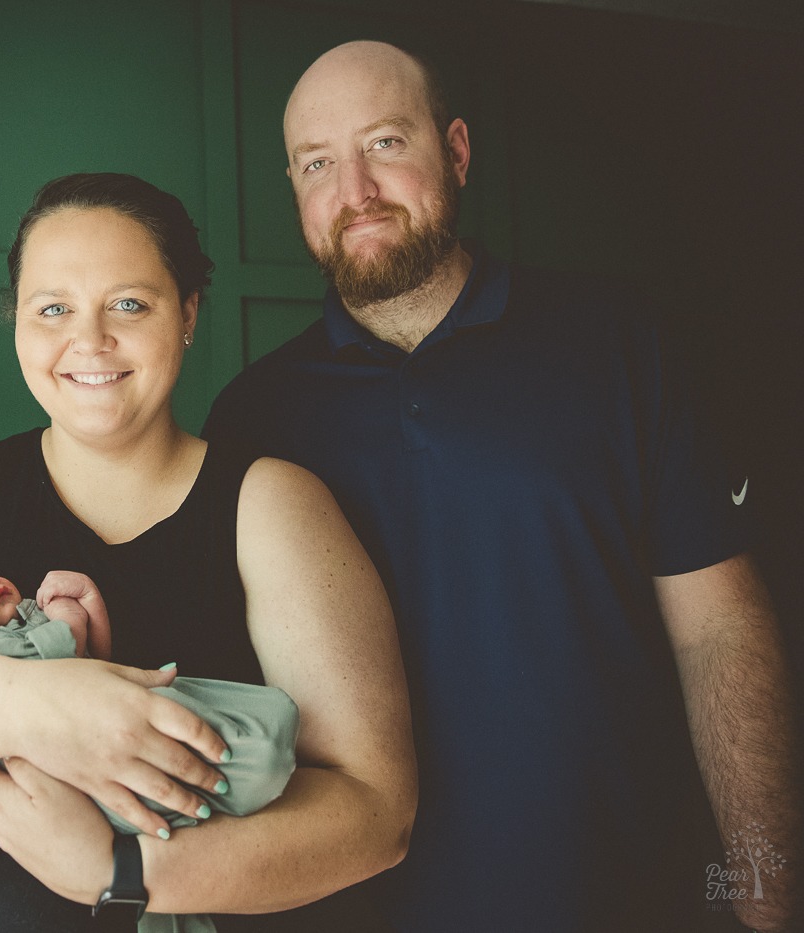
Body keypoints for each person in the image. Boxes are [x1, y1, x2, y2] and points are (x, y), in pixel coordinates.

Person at [203, 40, 799, 932]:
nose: (355, 190)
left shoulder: (617, 345)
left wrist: (765, 893)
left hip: (622, 903)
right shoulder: (252, 416)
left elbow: (718, 629)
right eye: (318, 163)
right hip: (354, 911)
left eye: (386, 143)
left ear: (458, 152)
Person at [0, 172, 416, 932]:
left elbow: (377, 813)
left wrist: (120, 872)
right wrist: (43, 706)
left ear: (189, 315)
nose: (90, 340)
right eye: (53, 309)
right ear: (18, 324)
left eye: (130, 304)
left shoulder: (271, 504)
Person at [0, 545, 300, 933]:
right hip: (59, 791)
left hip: (89, 757)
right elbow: (50, 659)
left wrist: (88, 631)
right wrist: (69, 622)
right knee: (249, 753)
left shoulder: (12, 624)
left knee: (253, 730)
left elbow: (85, 678)